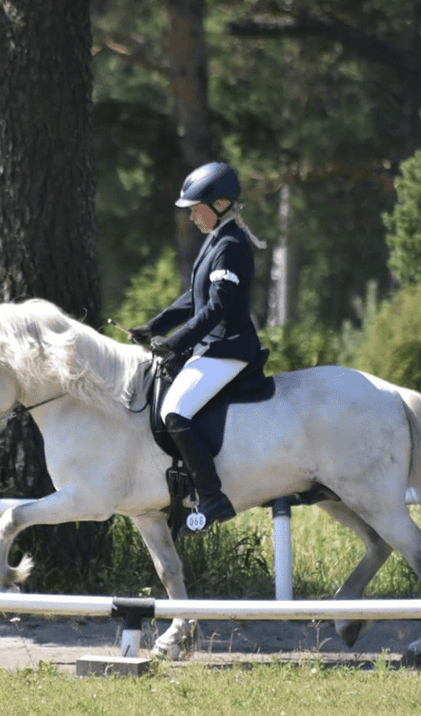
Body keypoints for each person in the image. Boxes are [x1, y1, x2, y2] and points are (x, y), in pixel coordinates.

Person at [130, 161, 266, 535]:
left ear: (220, 204)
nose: (191, 216)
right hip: (209, 347)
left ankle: (211, 496)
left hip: (229, 348)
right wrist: (155, 325)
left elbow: (217, 307)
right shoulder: (217, 239)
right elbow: (195, 296)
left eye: (195, 208)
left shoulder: (233, 245)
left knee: (174, 411)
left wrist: (176, 343)